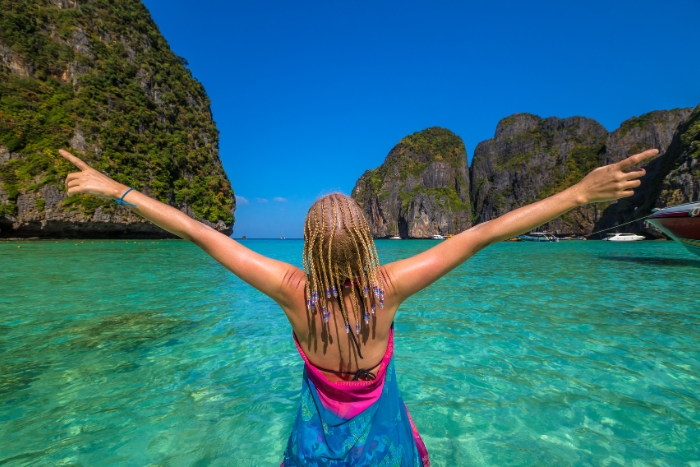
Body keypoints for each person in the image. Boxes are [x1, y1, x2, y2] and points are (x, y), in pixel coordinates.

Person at [58, 147, 658, 466]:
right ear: (368, 242)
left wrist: (119, 190)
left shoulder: (293, 292)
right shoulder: (388, 287)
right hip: (380, 435)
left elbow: (201, 233)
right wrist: (580, 192)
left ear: (309, 244)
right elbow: (485, 232)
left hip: (318, 436)